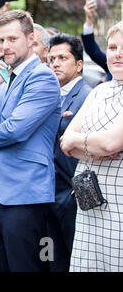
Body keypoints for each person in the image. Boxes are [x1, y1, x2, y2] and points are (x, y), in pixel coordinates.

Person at [0, 10, 61, 272]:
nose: (5, 46)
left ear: (31, 39)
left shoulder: (42, 77)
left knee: (25, 267)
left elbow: (16, 129)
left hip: (25, 192)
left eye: (12, 39)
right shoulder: (3, 78)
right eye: (0, 40)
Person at [60, 21, 123, 272]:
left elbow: (111, 142)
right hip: (90, 201)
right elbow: (66, 141)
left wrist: (85, 143)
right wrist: (93, 146)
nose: (118, 53)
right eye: (113, 46)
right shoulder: (99, 91)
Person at [46, 33, 92, 271]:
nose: (55, 63)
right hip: (49, 192)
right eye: (51, 58)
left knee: (77, 261)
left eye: (63, 58)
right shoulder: (50, 94)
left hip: (74, 194)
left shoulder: (89, 95)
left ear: (79, 64)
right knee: (55, 261)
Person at [81, 0, 112, 82]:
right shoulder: (111, 65)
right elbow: (93, 51)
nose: (119, 53)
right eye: (113, 48)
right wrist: (89, 19)